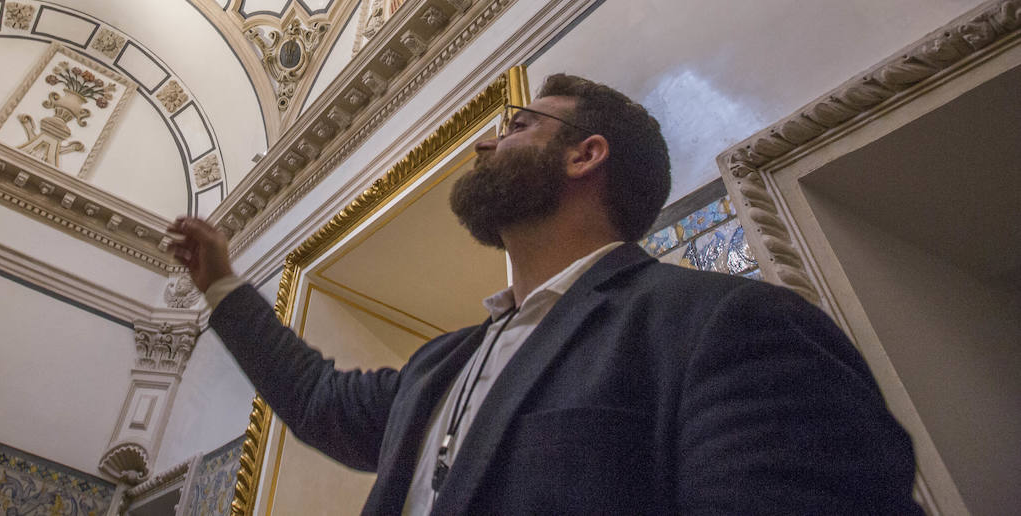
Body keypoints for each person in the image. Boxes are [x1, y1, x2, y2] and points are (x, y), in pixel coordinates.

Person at [169, 74, 923, 515]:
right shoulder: (442, 367)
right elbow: (319, 400)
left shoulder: (723, 325)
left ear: (586, 155)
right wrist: (224, 285)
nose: (485, 142)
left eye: (520, 124)